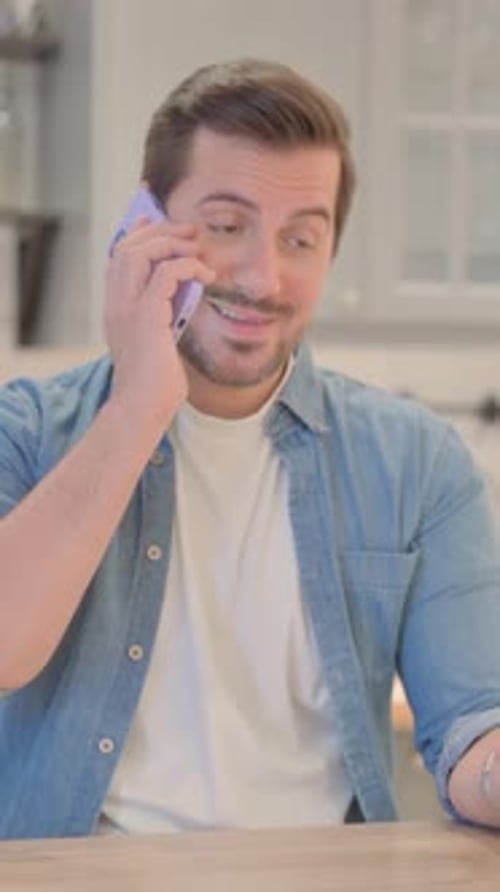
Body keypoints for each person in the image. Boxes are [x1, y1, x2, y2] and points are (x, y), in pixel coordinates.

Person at [0, 58, 500, 840]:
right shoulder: (25, 431)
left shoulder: (417, 464)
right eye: (228, 227)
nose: (264, 277)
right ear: (143, 227)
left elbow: (475, 723)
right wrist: (138, 407)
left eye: (302, 238)